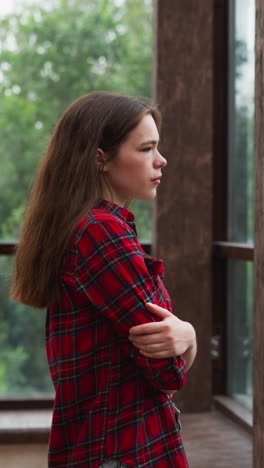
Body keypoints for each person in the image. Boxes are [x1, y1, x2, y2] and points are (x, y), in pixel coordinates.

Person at [11, 92, 197, 468]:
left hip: (96, 445)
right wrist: (189, 337)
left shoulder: (79, 227)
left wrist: (187, 335)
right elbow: (168, 371)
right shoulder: (102, 234)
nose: (161, 160)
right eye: (146, 148)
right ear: (100, 158)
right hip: (124, 450)